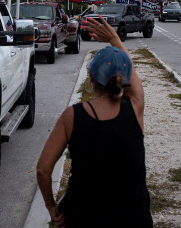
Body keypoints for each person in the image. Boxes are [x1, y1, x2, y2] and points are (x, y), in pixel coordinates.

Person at [36, 14, 153, 228]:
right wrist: (115, 40)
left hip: (82, 216)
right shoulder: (135, 107)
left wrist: (51, 206)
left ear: (90, 77)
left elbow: (43, 169)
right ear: (123, 79)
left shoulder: (72, 116)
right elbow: (131, 71)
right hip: (134, 217)